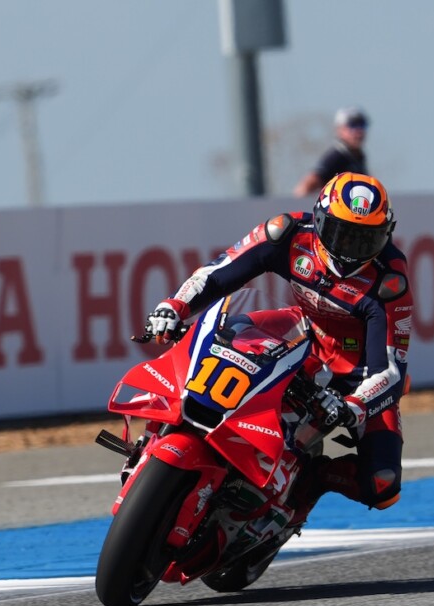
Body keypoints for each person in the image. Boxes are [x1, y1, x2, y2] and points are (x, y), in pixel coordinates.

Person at [145, 172, 413, 518]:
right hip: (300, 334)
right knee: (223, 332)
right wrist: (174, 306)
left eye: (366, 240)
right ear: (320, 219)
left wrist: (354, 406)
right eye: (342, 233)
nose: (350, 248)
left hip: (356, 375)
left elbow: (390, 368)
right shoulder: (286, 232)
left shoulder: (389, 279)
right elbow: (219, 271)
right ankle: (160, 431)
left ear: (386, 234)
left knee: (383, 485)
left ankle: (308, 480)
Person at [293, 107, 371, 198]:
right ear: (340, 129)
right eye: (352, 125)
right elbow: (305, 187)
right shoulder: (336, 156)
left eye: (362, 125)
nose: (359, 131)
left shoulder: (358, 156)